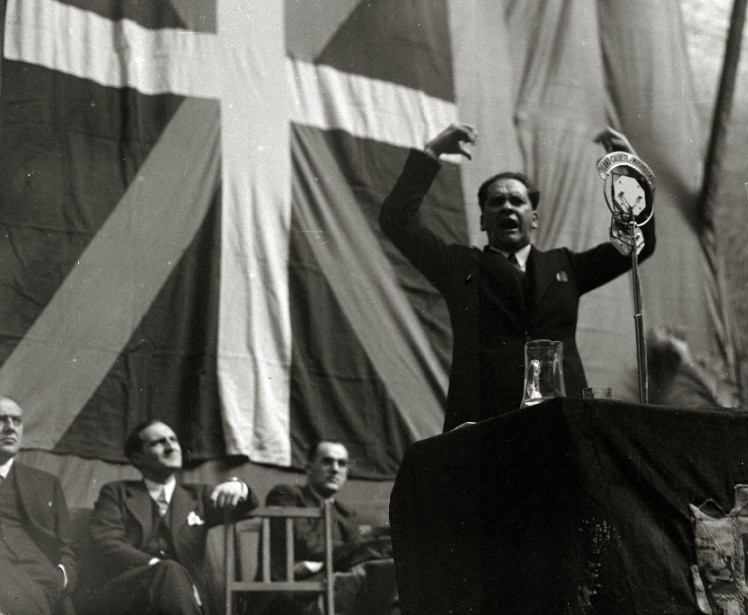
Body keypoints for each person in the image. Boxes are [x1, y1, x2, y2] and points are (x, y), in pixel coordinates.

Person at [379, 123, 657, 431]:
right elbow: (397, 221)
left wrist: (632, 170)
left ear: (534, 219)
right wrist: (432, 152)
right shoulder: (459, 265)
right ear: (483, 219)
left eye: (517, 201)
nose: (507, 207)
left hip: (562, 422)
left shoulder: (566, 266)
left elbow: (638, 244)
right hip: (486, 423)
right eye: (496, 202)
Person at [88, 419, 258, 615]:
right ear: (138, 458)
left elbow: (245, 508)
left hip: (184, 598)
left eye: (173, 440)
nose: (171, 447)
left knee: (173, 577)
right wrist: (157, 567)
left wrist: (239, 487)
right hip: (129, 595)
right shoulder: (116, 492)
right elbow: (105, 541)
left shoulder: (198, 495)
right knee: (169, 571)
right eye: (158, 442)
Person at [256, 440, 396, 615]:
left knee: (386, 570)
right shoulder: (286, 495)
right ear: (308, 468)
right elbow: (309, 545)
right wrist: (356, 549)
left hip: (332, 589)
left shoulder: (346, 514)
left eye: (342, 463)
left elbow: (356, 557)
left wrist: (318, 564)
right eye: (327, 461)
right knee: (378, 570)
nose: (335, 469)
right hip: (287, 596)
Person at [0, 396, 76, 615]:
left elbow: (67, 545)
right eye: (1, 420)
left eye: (17, 421)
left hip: (41, 581)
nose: (11, 428)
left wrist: (62, 578)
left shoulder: (46, 483)